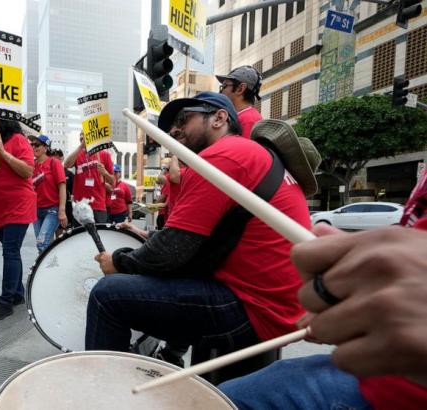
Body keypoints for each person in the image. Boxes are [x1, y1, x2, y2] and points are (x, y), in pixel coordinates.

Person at [86, 92, 312, 357]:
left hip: (253, 307)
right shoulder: (248, 154)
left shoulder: (221, 158)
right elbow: (193, 240)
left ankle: (102, 392)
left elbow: (171, 252)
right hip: (276, 305)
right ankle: (166, 359)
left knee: (107, 295)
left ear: (219, 118)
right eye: (171, 127)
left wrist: (119, 260)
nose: (174, 130)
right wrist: (147, 238)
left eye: (183, 118)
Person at [219, 168, 427, 409]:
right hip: (385, 366)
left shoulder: (235, 159)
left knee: (220, 399)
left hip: (401, 391)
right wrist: (360, 307)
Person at [0, 117, 35, 321]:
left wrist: (3, 152)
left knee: (10, 251)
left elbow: (27, 171)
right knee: (12, 251)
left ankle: (5, 301)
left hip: (17, 205)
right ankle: (18, 294)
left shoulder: (18, 140)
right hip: (0, 207)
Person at [63, 132, 114, 224]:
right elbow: (66, 164)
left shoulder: (105, 155)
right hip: (80, 205)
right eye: (81, 137)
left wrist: (105, 173)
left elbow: (112, 182)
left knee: (98, 235)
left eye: (85, 136)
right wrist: (81, 147)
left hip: (98, 205)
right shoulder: (77, 155)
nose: (82, 139)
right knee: (80, 236)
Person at [30, 134, 67, 253]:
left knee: (41, 243)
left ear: (46, 148)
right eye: (32, 144)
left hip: (52, 210)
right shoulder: (31, 166)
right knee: (45, 245)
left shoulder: (54, 163)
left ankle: (41, 270)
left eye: (37, 145)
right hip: (36, 211)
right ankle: (51, 268)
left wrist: (62, 210)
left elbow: (62, 186)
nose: (34, 147)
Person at [216, 65, 263, 139]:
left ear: (240, 89)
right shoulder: (242, 117)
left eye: (224, 86)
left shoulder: (249, 120)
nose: (220, 92)